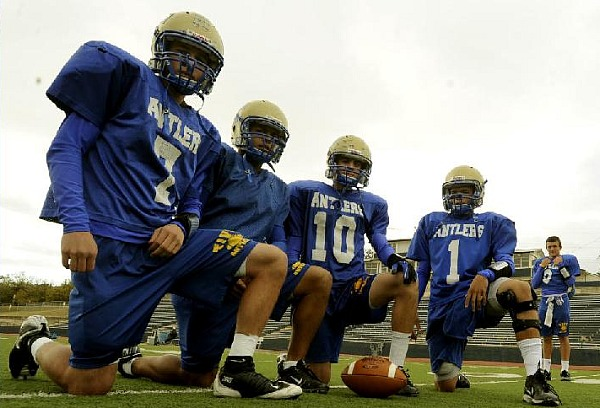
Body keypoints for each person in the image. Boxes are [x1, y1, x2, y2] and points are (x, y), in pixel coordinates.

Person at [8, 12, 300, 399]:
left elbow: (194, 195)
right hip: (111, 239)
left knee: (271, 261)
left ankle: (238, 369)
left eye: (202, 60)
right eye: (182, 51)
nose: (190, 65)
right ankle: (35, 341)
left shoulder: (206, 132)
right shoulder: (126, 78)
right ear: (160, 48)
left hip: (170, 245)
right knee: (90, 382)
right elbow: (65, 148)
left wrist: (181, 226)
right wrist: (76, 224)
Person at [117, 100, 331, 394]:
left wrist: (274, 269)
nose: (267, 141)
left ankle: (292, 365)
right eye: (260, 130)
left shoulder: (280, 188)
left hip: (259, 272)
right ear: (239, 129)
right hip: (209, 268)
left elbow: (279, 236)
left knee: (319, 279)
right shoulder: (221, 157)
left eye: (274, 136)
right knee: (197, 375)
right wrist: (226, 270)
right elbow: (193, 211)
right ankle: (131, 363)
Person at [406, 165, 561, 406]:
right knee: (445, 384)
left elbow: (506, 262)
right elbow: (423, 270)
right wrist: (411, 306)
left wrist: (485, 274)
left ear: (477, 193)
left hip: (478, 294)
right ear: (445, 193)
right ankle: (454, 372)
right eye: (454, 191)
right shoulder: (429, 222)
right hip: (442, 304)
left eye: (465, 190)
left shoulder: (493, 222)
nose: (459, 196)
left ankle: (535, 379)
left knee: (520, 289)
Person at [285, 135, 420, 397]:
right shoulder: (302, 191)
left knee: (406, 280)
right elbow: (294, 237)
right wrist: (292, 270)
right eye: (344, 160)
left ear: (364, 170)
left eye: (356, 164)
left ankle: (398, 368)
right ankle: (288, 360)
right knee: (320, 381)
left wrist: (393, 258)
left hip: (352, 284)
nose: (349, 167)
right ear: (331, 162)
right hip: (317, 290)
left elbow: (378, 239)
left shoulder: (374, 203)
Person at [531, 236, 580, 382]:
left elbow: (571, 282)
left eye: (554, 246)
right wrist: (541, 267)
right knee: (546, 337)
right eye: (549, 247)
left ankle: (565, 370)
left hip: (561, 301)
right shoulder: (540, 262)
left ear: (560, 247)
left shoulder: (568, 259)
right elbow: (534, 284)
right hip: (545, 301)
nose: (552, 249)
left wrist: (561, 267)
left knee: (563, 336)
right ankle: (546, 369)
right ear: (546, 248)